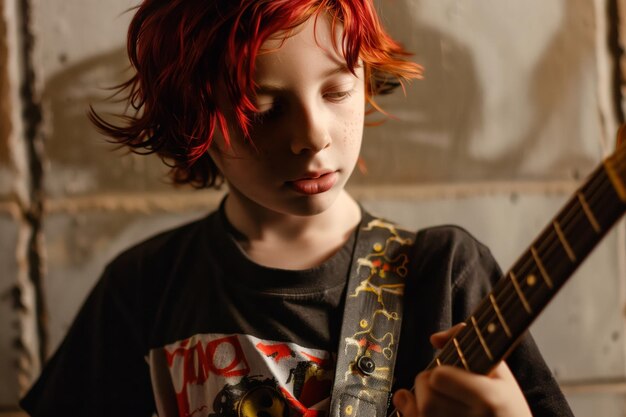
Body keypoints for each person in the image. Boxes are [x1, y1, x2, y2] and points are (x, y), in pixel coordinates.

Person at [20, 1, 574, 416]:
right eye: (262, 109)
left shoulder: (445, 272)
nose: (312, 137)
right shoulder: (143, 285)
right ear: (195, 123)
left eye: (336, 92)